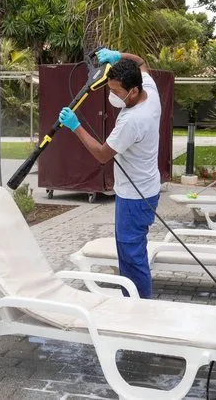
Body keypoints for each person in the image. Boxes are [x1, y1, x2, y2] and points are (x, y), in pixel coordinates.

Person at [57, 48, 161, 299]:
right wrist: (119, 56)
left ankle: (141, 311)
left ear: (133, 91)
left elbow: (103, 155)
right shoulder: (150, 90)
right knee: (130, 253)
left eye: (116, 92)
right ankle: (134, 302)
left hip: (134, 198)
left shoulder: (133, 120)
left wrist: (76, 126)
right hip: (147, 188)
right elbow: (142, 60)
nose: (112, 95)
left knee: (132, 257)